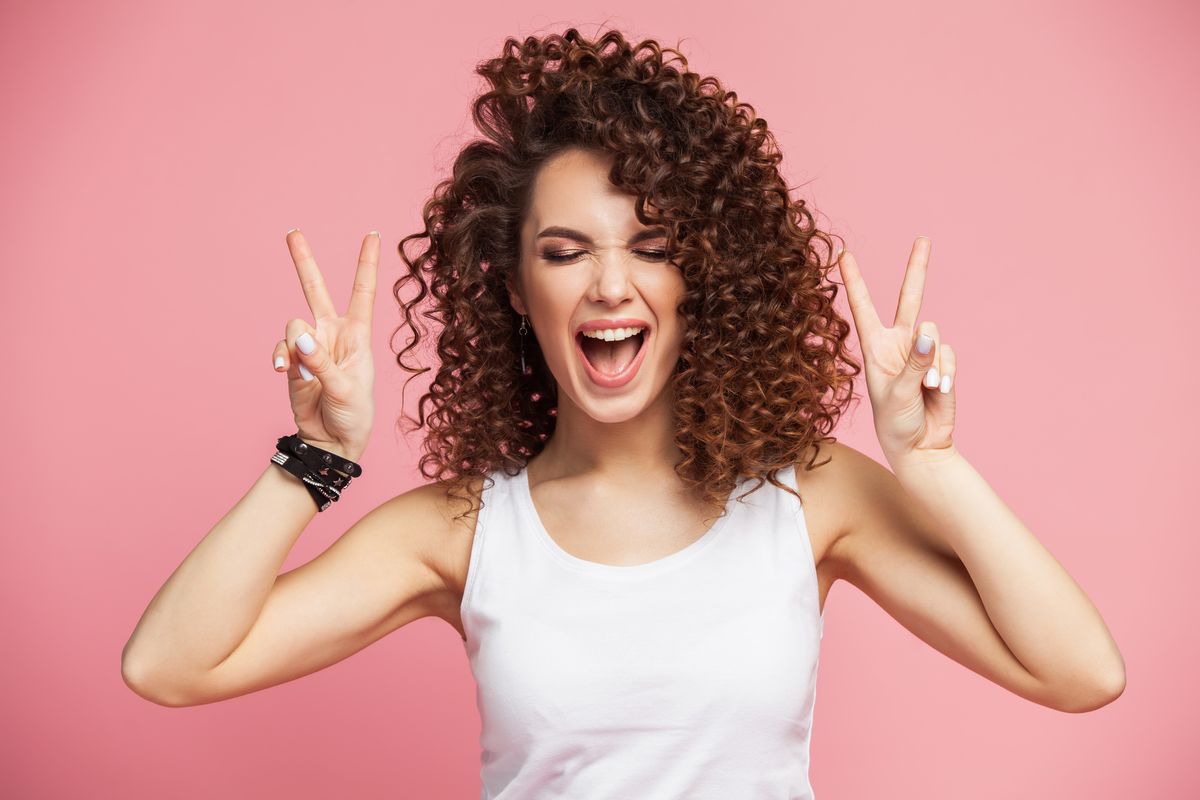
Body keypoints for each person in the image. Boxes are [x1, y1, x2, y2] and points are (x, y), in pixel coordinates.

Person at [121, 27, 1126, 799]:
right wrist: (317, 454)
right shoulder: (462, 531)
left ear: (700, 275)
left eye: (650, 245)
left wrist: (933, 461)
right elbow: (168, 664)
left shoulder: (809, 495)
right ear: (516, 288)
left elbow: (1080, 670)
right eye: (564, 251)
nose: (609, 284)